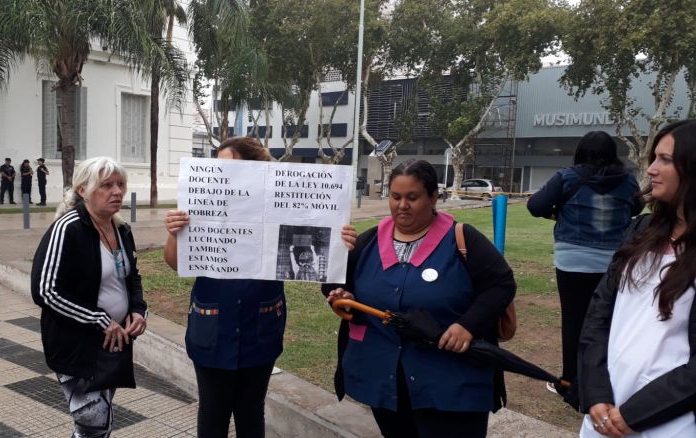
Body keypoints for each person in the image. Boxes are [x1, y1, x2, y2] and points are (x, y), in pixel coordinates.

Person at [163, 136, 357, 438]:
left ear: (254, 168)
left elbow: (315, 249)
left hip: (260, 327)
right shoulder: (202, 201)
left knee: (251, 412)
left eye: (228, 165)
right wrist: (175, 234)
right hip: (212, 327)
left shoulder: (281, 203)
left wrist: (338, 242)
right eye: (217, 165)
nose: (218, 171)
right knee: (213, 413)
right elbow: (176, 263)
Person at [323, 159, 515, 438]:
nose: (402, 205)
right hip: (387, 383)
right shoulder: (367, 242)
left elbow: (501, 284)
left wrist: (468, 325)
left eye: (413, 197)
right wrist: (341, 287)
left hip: (451, 386)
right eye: (396, 196)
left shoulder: (462, 239)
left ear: (433, 197)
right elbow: (334, 285)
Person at [579, 120, 696, 437]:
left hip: (667, 421)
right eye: (653, 158)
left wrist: (635, 414)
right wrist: (595, 392)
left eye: (666, 160)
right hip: (605, 411)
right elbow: (599, 313)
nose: (652, 169)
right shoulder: (641, 230)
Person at [31, 156, 147, 437]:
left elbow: (132, 277)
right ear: (83, 190)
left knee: (95, 424)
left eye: (120, 184)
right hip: (76, 344)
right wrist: (100, 319)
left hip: (114, 342)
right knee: (94, 421)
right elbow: (45, 290)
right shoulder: (68, 228)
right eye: (106, 185)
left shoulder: (121, 229)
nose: (117, 191)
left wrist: (138, 311)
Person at [527, 131, 643, 391]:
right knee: (608, 320)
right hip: (613, 262)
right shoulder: (628, 181)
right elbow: (635, 209)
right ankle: (606, 379)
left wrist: (557, 211)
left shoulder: (567, 177)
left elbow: (535, 206)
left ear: (580, 152)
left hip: (573, 260)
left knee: (574, 319)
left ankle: (569, 380)